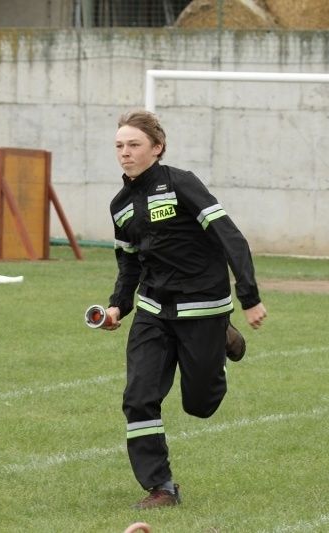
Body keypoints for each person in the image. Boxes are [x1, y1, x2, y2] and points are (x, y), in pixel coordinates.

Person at [101, 110, 267, 509]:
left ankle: (222, 336)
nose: (125, 153)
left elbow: (231, 237)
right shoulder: (120, 205)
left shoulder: (182, 184)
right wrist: (117, 307)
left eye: (134, 144)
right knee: (138, 396)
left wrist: (249, 296)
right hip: (153, 310)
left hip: (203, 305)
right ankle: (161, 487)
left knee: (200, 405)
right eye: (120, 146)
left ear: (157, 148)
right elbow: (129, 264)